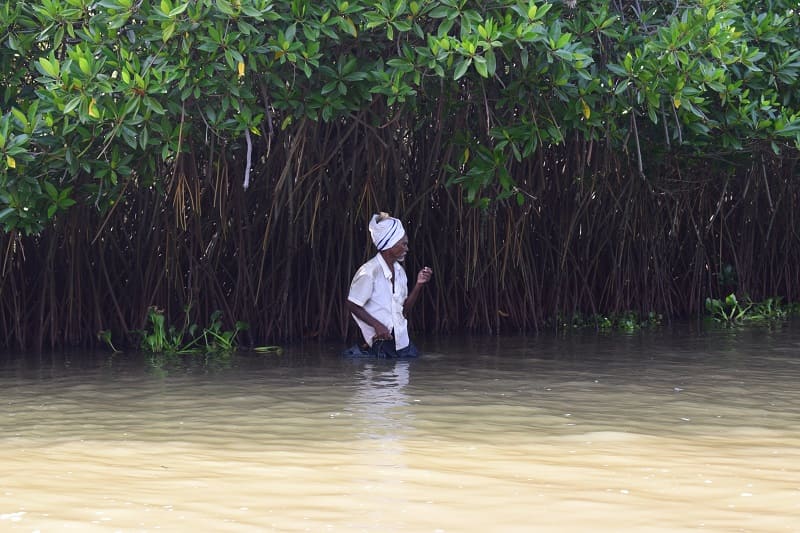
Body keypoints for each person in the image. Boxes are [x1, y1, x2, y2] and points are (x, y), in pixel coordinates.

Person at [343, 212, 433, 357]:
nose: (407, 248)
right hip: (379, 346)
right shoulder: (369, 272)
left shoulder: (400, 272)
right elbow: (352, 304)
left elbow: (403, 311)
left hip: (402, 343)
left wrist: (419, 285)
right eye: (403, 244)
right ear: (390, 245)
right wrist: (377, 326)